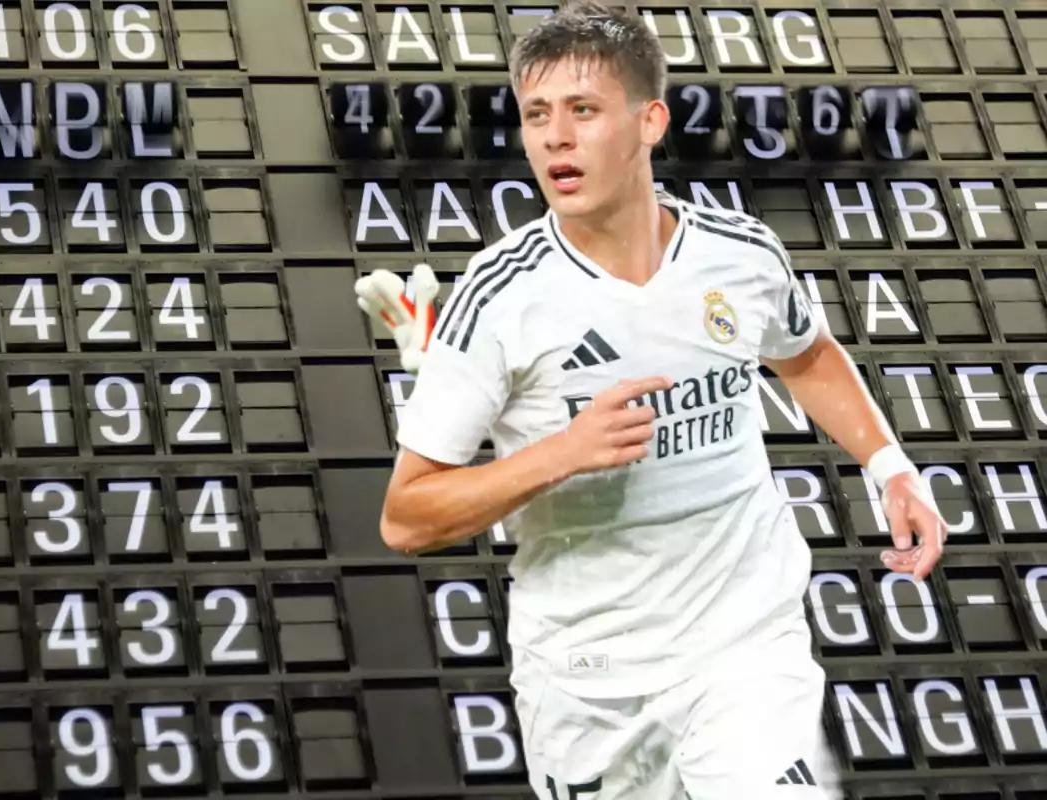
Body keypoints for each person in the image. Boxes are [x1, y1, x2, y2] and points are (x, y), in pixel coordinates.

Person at [358, 2, 947, 798]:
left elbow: (806, 354)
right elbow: (407, 516)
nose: (555, 138)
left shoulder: (741, 254)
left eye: (583, 111)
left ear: (649, 121)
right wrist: (562, 453)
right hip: (586, 679)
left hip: (743, 650)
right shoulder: (499, 299)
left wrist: (891, 467)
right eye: (537, 115)